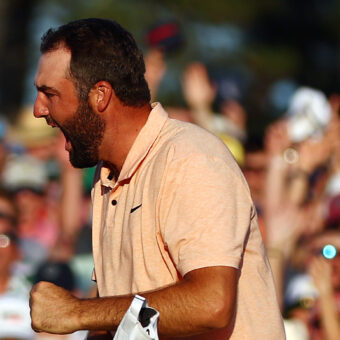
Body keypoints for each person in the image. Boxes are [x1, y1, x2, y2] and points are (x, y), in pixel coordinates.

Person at [29, 18, 285, 339]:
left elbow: (211, 304)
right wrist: (90, 319)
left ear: (100, 95)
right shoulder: (107, 175)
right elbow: (120, 313)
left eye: (49, 93)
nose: (38, 109)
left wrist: (77, 312)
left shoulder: (190, 158)